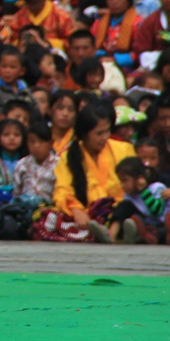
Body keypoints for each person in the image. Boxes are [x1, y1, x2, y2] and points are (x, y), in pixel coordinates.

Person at [52, 103, 135, 242]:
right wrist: (76, 210)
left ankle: (114, 233)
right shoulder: (68, 157)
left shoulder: (124, 149)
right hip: (85, 215)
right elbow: (62, 190)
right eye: (99, 133)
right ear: (84, 135)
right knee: (48, 216)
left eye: (107, 131)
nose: (105, 137)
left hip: (118, 210)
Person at [14, 120, 58, 205]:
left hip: (50, 209)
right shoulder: (22, 164)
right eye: (32, 142)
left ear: (51, 143)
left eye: (41, 142)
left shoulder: (58, 164)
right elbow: (16, 192)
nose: (36, 146)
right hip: (25, 208)